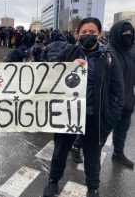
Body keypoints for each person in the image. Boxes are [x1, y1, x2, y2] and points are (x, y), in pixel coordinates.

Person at [42, 17, 124, 197]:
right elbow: (50, 78)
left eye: (92, 32)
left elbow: (118, 92)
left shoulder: (109, 58)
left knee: (93, 157)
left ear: (99, 34)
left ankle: (93, 188)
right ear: (77, 34)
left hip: (94, 118)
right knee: (59, 153)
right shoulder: (68, 53)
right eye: (84, 32)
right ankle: (53, 181)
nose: (88, 35)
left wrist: (110, 120)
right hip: (68, 116)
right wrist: (69, 67)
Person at [108, 21, 135, 168]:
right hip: (110, 102)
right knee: (98, 133)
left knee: (123, 129)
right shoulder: (107, 52)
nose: (128, 37)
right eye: (125, 34)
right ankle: (77, 147)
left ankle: (118, 153)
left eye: (131, 34)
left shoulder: (132, 52)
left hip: (128, 100)